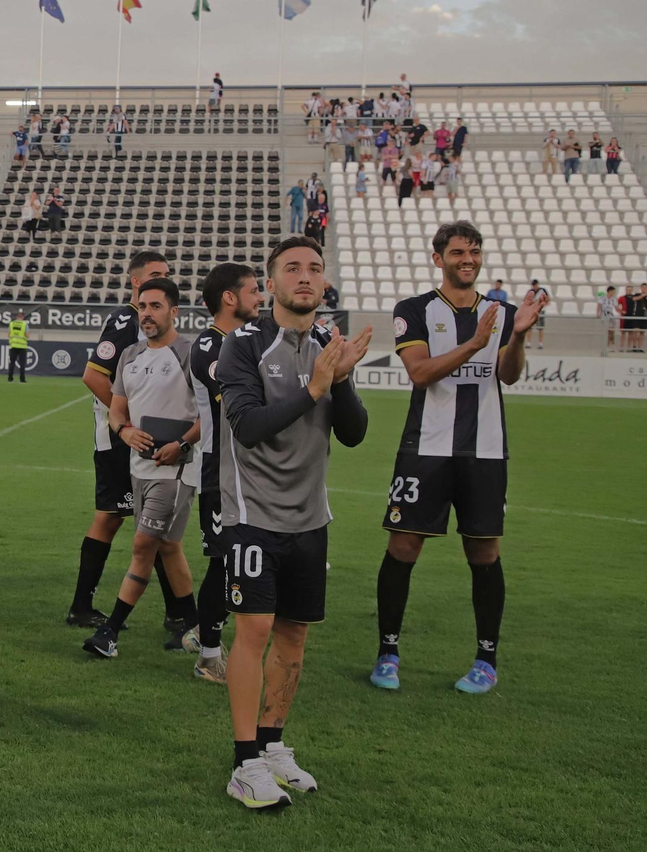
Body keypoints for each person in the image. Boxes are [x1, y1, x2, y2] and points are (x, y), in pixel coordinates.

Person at [216, 235, 371, 809]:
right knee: (253, 631)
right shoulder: (243, 345)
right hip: (254, 515)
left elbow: (352, 433)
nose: (305, 277)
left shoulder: (330, 343)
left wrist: (345, 378)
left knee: (294, 635)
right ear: (273, 280)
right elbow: (249, 426)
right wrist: (315, 387)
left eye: (314, 268)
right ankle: (243, 761)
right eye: (292, 269)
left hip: (311, 517)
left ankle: (274, 743)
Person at [372, 221, 546, 699]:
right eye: (457, 252)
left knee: (484, 552)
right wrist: (473, 344)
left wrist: (519, 337)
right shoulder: (415, 310)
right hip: (425, 448)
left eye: (473, 251)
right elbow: (420, 372)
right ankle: (388, 653)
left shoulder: (503, 313)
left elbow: (507, 377)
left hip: (486, 450)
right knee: (404, 547)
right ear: (439, 259)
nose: (466, 259)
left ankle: (486, 660)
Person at [69, 252, 191, 640]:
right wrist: (126, 423)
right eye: (154, 276)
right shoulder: (125, 320)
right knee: (116, 519)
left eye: (166, 277)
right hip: (119, 441)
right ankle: (83, 605)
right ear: (135, 283)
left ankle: (176, 614)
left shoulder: (154, 331)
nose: (163, 280)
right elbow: (92, 375)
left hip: (133, 439)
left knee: (149, 526)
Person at [186, 263, 263, 684]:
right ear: (229, 298)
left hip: (248, 470)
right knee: (224, 562)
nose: (260, 297)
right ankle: (208, 655)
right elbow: (241, 402)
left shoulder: (241, 340)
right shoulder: (209, 348)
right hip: (221, 472)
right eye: (253, 291)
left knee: (242, 561)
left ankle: (203, 630)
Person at [525, 278, 549, 349]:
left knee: (540, 328)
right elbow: (526, 300)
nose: (534, 286)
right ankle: (528, 342)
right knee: (529, 327)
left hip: (540, 310)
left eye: (535, 285)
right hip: (532, 310)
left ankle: (540, 343)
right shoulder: (530, 291)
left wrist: (543, 304)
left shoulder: (542, 291)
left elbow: (547, 299)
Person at [7, 309, 29, 383]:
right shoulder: (25, 324)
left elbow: (9, 334)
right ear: (23, 316)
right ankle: (22, 379)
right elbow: (27, 335)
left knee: (12, 363)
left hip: (13, 345)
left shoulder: (12, 324)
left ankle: (10, 378)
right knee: (22, 364)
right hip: (22, 347)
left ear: (17, 316)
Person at [600, 286, 620, 352]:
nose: (614, 293)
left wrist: (621, 312)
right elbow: (599, 306)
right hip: (605, 315)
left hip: (611, 315)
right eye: (613, 291)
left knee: (612, 330)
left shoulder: (614, 299)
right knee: (608, 330)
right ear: (610, 291)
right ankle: (607, 345)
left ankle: (611, 344)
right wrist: (598, 313)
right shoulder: (602, 298)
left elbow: (616, 308)